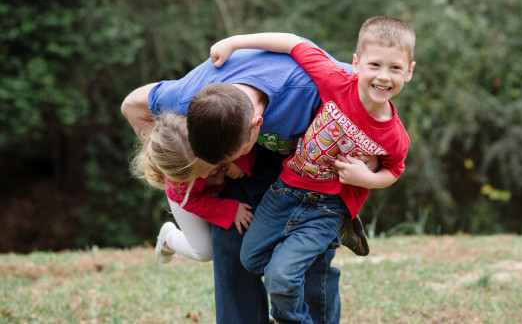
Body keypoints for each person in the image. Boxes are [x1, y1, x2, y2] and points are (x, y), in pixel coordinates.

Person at [121, 45, 374, 324]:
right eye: (211, 163)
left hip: (302, 157)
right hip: (244, 150)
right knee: (232, 241)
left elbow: (370, 85)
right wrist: (161, 154)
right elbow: (131, 105)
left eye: (216, 162)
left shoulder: (308, 87)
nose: (214, 168)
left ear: (256, 126)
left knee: (310, 251)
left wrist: (370, 165)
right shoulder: (189, 99)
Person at [210, 16, 416, 323]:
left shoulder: (395, 135)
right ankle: (294, 261)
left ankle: (296, 314)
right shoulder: (336, 82)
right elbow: (295, 43)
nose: (384, 76)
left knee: (280, 279)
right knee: (250, 259)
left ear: (409, 72)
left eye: (395, 68)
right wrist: (234, 42)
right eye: (375, 65)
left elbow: (394, 171)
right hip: (286, 191)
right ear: (356, 63)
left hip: (328, 208)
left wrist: (368, 179)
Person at [130, 112, 256, 264]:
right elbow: (195, 202)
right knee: (204, 251)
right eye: (199, 172)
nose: (204, 175)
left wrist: (239, 162)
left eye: (205, 165)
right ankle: (169, 238)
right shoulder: (178, 185)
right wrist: (230, 210)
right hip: (190, 199)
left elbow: (244, 141)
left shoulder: (213, 136)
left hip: (216, 187)